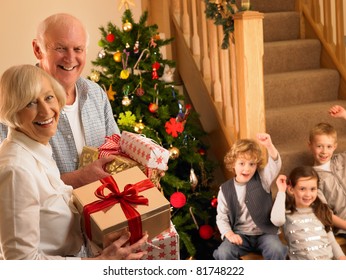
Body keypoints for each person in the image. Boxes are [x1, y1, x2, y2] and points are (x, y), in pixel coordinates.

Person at [0, 64, 147, 260]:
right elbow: (22, 265)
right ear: (12, 112)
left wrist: (102, 239)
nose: (46, 111)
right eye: (30, 103)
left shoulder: (37, 149)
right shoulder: (16, 169)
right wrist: (100, 262)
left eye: (48, 97)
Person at [0, 13, 120, 188]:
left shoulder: (96, 94)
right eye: (60, 48)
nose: (70, 58)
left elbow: (116, 150)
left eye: (78, 49)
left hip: (103, 212)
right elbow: (7, 183)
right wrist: (78, 179)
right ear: (37, 49)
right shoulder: (15, 102)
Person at [212, 133, 287, 260]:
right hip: (240, 235)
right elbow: (222, 216)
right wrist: (229, 234)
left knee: (277, 250)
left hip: (265, 233)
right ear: (233, 164)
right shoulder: (225, 189)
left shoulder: (263, 178)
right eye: (242, 163)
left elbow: (275, 164)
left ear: (256, 165)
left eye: (252, 164)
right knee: (223, 253)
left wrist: (269, 145)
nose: (247, 168)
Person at [271, 166, 346, 260]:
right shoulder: (286, 213)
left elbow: (331, 241)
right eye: (302, 189)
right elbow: (277, 221)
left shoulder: (321, 211)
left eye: (312, 189)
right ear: (291, 189)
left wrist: (342, 258)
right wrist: (281, 191)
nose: (308, 194)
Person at [308, 113, 346, 239]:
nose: (324, 151)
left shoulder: (341, 160)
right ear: (310, 146)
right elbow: (326, 213)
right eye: (319, 146)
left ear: (334, 147)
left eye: (329, 146)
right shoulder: (312, 178)